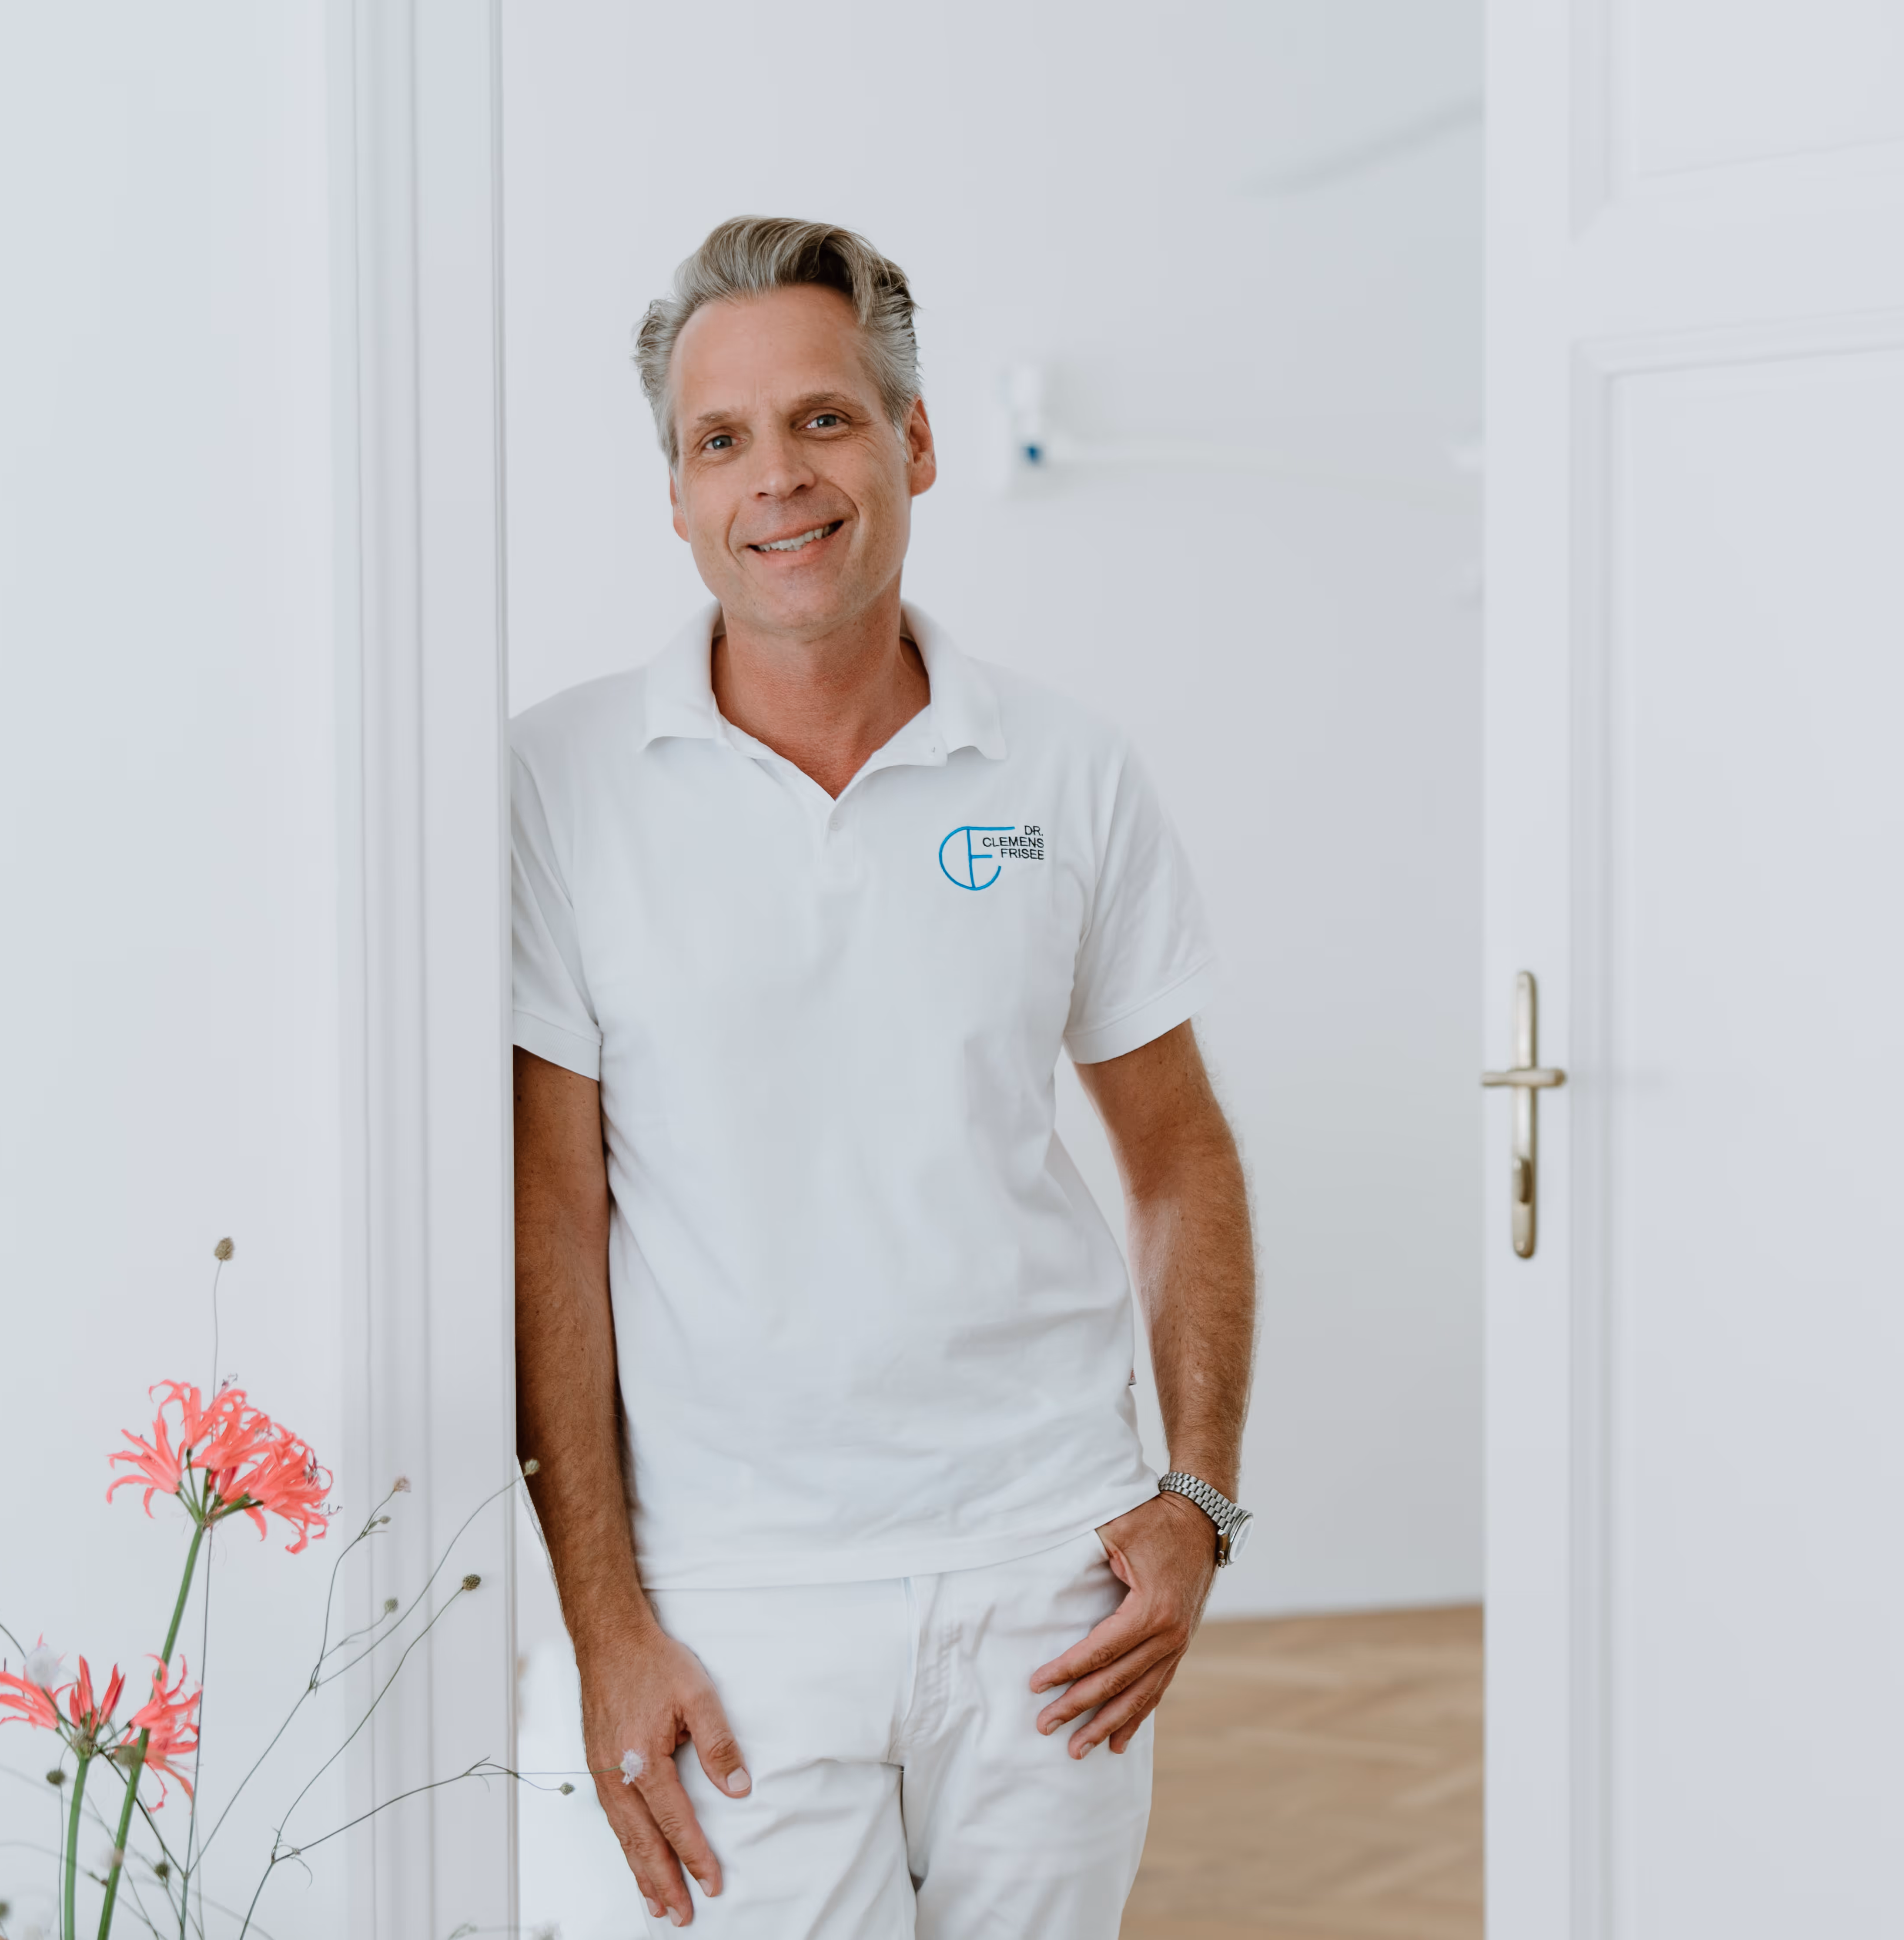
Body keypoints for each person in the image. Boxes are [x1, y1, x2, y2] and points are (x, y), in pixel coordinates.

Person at [510, 215, 1259, 1937]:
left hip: (1049, 1592)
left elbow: (1177, 1152)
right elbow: (549, 1216)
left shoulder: (1062, 770)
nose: (777, 477)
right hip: (729, 1602)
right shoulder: (559, 786)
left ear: (913, 442)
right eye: (722, 440)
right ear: (678, 493)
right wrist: (604, 1624)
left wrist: (1197, 1499)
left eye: (824, 420)